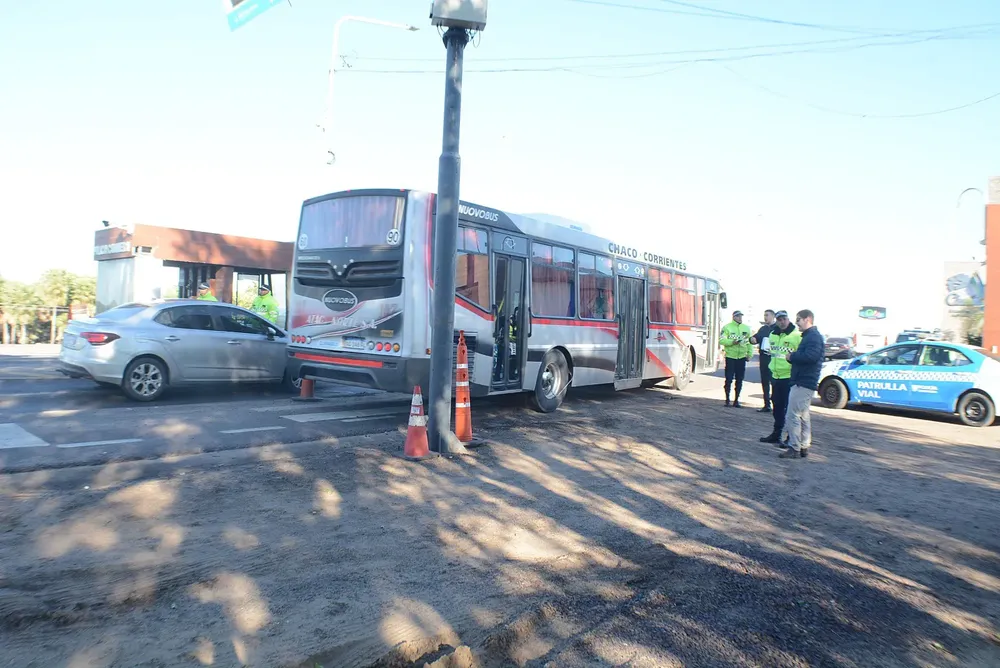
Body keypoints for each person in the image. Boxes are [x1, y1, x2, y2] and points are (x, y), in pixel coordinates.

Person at [776, 309, 824, 459]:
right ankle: (803, 446)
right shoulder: (811, 336)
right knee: (803, 415)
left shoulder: (813, 337)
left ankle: (794, 447)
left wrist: (792, 356)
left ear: (808, 319)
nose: (796, 322)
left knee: (793, 415)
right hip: (805, 380)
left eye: (799, 319)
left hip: (803, 381)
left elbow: (812, 356)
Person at [759, 310, 800, 445]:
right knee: (777, 407)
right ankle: (776, 434)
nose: (782, 322)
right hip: (775, 376)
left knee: (790, 409)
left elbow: (800, 356)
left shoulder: (796, 336)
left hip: (788, 377)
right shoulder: (773, 334)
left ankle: (790, 437)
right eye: (779, 319)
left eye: (784, 319)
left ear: (788, 319)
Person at [719, 310, 754, 407]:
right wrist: (731, 342)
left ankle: (736, 400)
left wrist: (749, 354)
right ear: (733, 317)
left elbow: (749, 343)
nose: (740, 318)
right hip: (730, 357)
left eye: (741, 316)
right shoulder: (727, 327)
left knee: (740, 379)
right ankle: (727, 399)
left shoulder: (746, 328)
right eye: (738, 316)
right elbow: (721, 340)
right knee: (729, 379)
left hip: (741, 357)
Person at [752, 309, 777, 413]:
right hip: (764, 359)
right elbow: (756, 338)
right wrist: (752, 339)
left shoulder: (778, 329)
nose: (765, 317)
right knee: (765, 382)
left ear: (773, 316)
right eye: (764, 315)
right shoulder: (763, 329)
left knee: (775, 384)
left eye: (767, 315)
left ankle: (777, 405)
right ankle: (766, 405)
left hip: (774, 360)